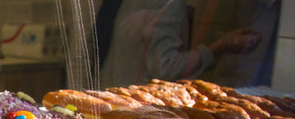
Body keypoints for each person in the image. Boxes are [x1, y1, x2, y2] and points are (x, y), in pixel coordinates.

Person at [95, 0, 262, 88]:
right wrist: (219, 48)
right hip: (135, 106)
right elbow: (165, 67)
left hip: (110, 93)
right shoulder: (169, 3)